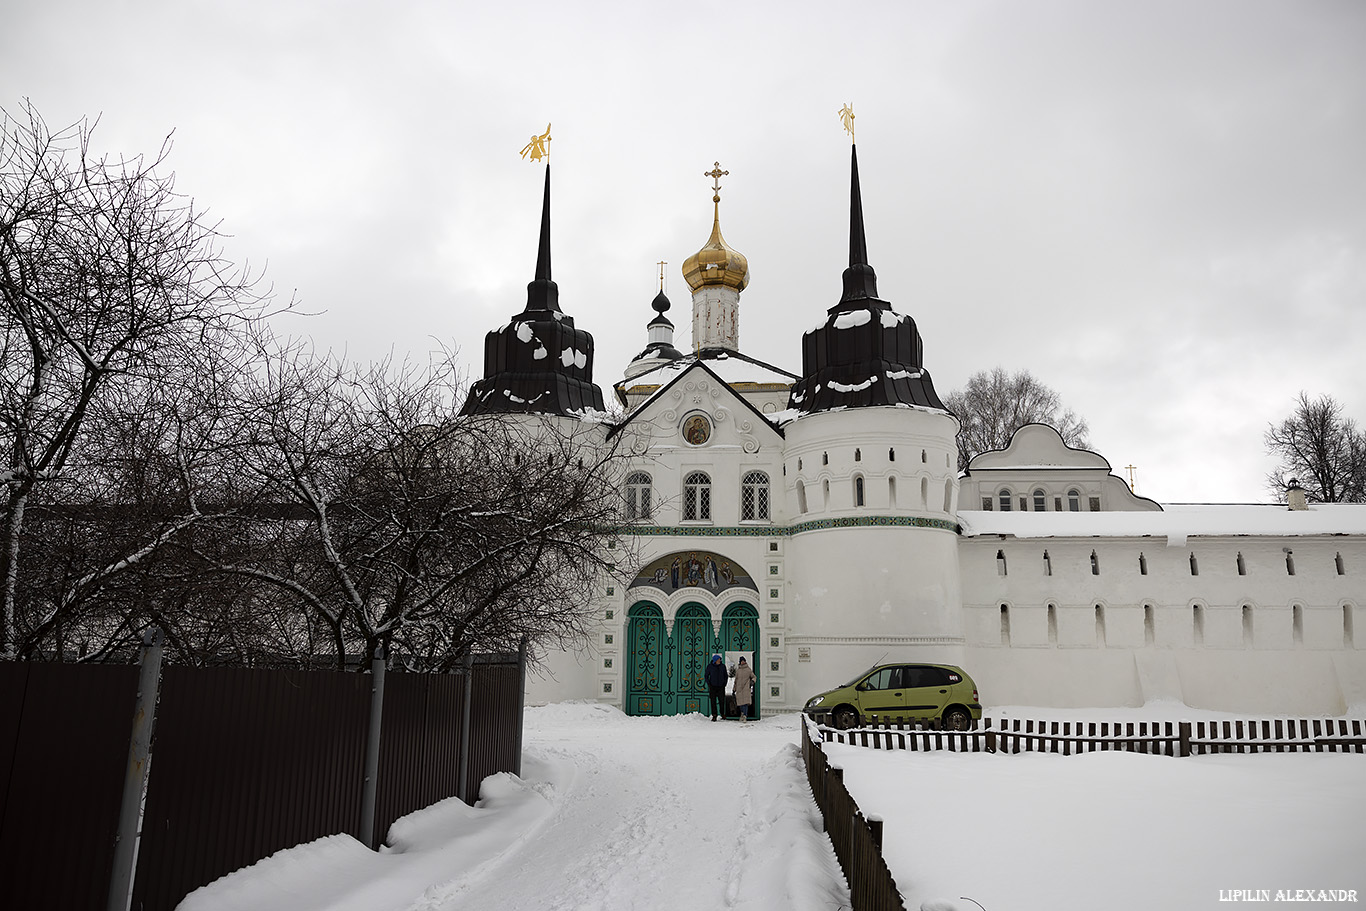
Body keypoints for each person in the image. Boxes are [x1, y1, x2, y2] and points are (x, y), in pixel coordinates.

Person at [705, 653, 727, 721]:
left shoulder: (723, 666)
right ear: (715, 660)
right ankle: (714, 715)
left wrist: (724, 683)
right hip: (713, 687)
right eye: (718, 660)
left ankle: (722, 713)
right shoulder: (710, 666)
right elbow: (706, 676)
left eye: (720, 659)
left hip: (721, 687)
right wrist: (709, 684)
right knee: (713, 702)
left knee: (722, 701)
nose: (719, 661)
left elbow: (726, 676)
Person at [733, 656, 755, 722]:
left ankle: (745, 715)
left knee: (745, 703)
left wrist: (752, 681)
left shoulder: (748, 670)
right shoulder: (738, 671)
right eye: (741, 661)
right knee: (740, 703)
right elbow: (736, 680)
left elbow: (753, 676)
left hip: (745, 688)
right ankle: (742, 714)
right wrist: (734, 689)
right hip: (739, 689)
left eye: (743, 661)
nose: (743, 662)